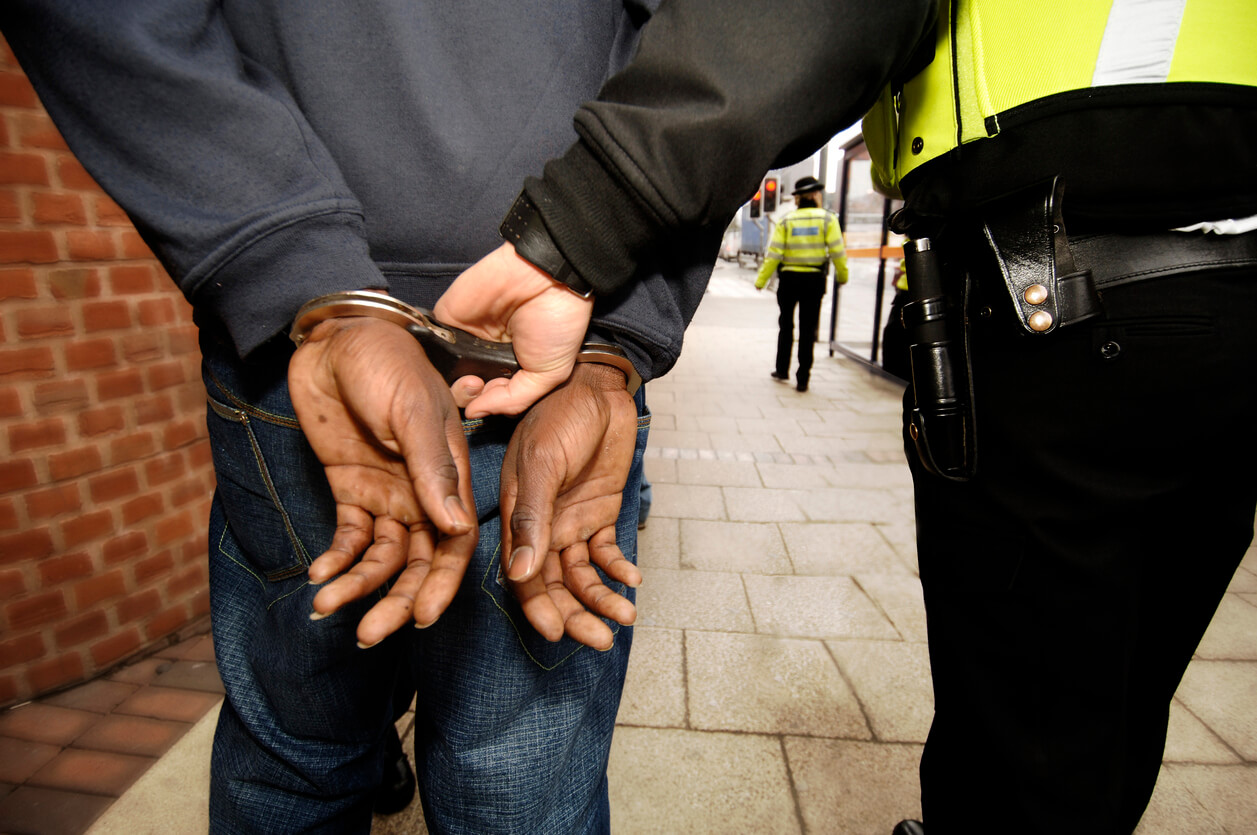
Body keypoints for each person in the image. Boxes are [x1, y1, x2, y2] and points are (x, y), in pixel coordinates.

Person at [432, 1, 1257, 833]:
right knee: (1130, 684)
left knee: (1030, 732)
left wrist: (585, 220)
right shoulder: (815, 220)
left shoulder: (800, 214)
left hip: (1057, 303)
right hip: (1231, 303)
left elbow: (819, 18)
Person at [1, 3, 723, 832]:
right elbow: (710, 42)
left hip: (317, 341)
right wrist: (617, 330)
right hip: (522, 340)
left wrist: (292, 264)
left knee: (297, 763)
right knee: (523, 783)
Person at [753, 175, 849, 392]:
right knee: (807, 329)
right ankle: (803, 378)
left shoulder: (787, 221)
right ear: (815, 195)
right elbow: (837, 252)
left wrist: (761, 280)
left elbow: (774, 253)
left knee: (786, 325)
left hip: (788, 280)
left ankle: (782, 369)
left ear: (797, 198)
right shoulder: (828, 219)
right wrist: (842, 276)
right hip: (814, 281)